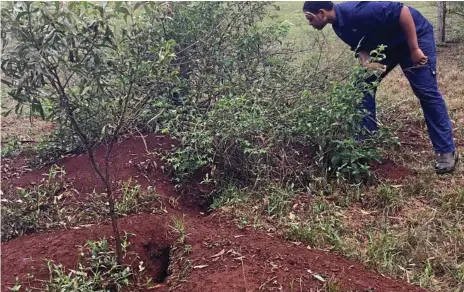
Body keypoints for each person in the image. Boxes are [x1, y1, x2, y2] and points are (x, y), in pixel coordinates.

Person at [302, 1, 458, 174]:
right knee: (361, 87)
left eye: (310, 18)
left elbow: (403, 12)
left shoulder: (359, 11)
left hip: (414, 35)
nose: (309, 23)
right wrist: (367, 64)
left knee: (426, 91)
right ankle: (366, 144)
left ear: (322, 13)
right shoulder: (339, 27)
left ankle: (445, 151)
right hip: (387, 46)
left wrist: (414, 49)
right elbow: (361, 49)